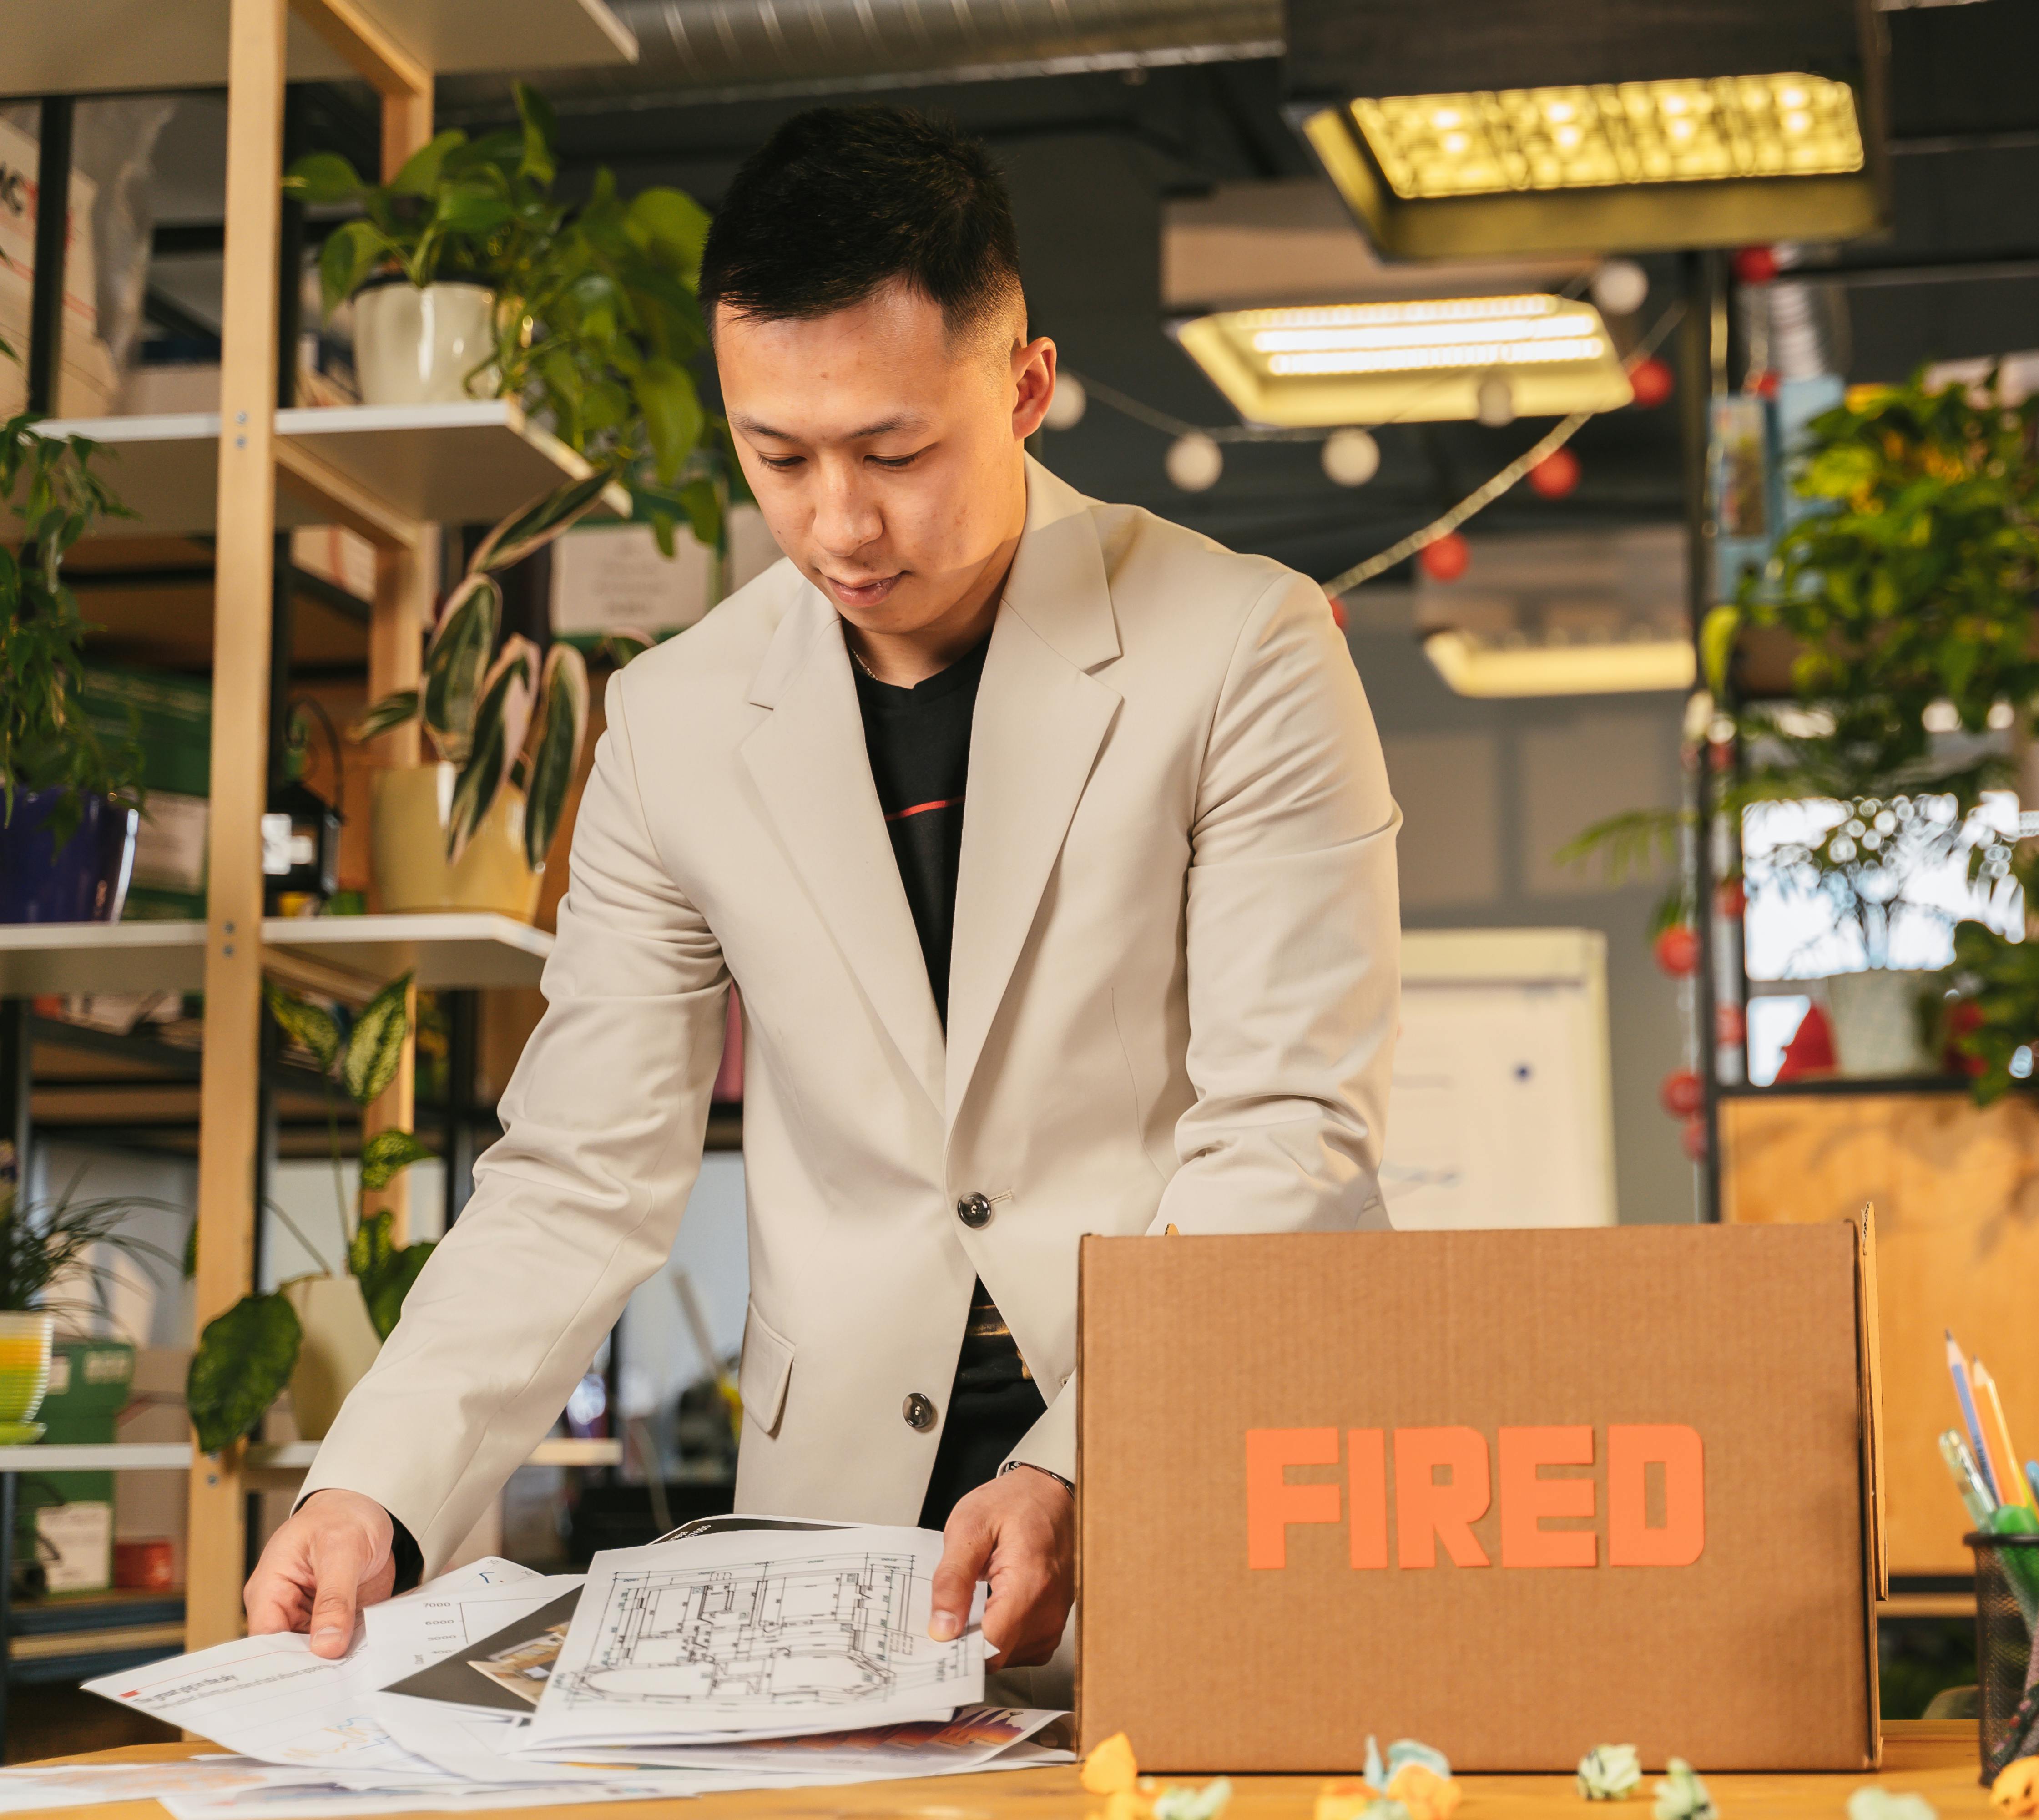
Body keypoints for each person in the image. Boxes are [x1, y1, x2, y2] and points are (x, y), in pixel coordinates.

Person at [242, 105, 1401, 1689]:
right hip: (840, 1511)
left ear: (1025, 388)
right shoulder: (675, 720)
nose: (838, 525)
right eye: (778, 457)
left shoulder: (1246, 647)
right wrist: (372, 1486)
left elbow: (1291, 1128)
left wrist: (1086, 1460)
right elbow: (580, 1169)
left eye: (895, 453)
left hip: (1197, 1434)